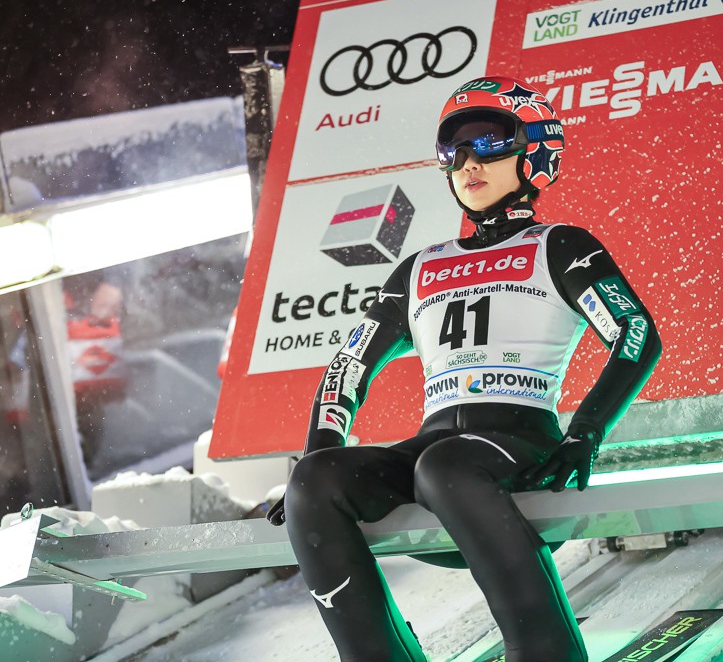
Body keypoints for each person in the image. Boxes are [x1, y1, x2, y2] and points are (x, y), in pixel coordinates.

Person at [267, 76, 662, 661]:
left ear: (534, 150)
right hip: (435, 462)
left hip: (516, 452)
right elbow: (350, 363)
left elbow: (636, 333)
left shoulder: (559, 245)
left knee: (444, 464)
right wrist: (320, 447)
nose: (467, 161)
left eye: (488, 141)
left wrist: (585, 433)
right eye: (452, 150)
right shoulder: (420, 267)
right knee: (314, 479)